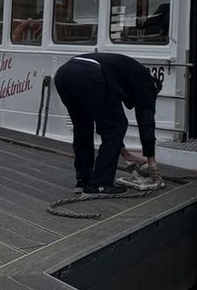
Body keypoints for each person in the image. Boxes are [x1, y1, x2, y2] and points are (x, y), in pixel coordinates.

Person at [53, 52, 161, 194]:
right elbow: (146, 122)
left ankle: (83, 180)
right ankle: (100, 183)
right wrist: (151, 161)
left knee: (82, 126)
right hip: (91, 74)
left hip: (64, 73)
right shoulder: (146, 85)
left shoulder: (127, 74)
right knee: (117, 125)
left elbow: (105, 122)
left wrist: (126, 154)